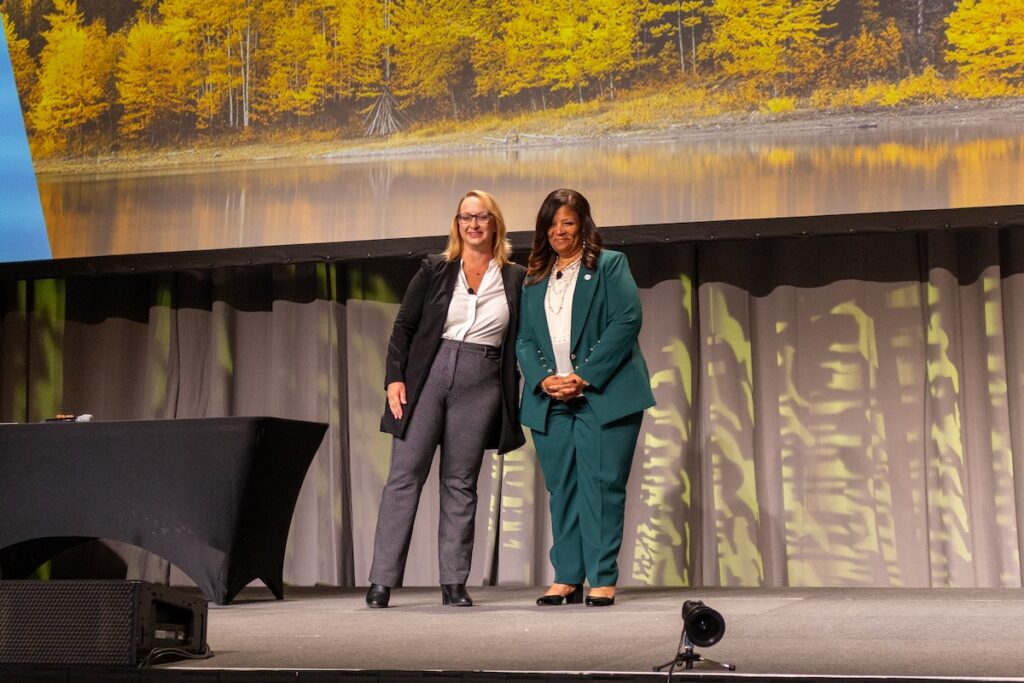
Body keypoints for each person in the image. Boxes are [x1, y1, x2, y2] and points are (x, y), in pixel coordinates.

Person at [366, 190, 526, 608]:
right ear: (457, 225)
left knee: (460, 483)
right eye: (465, 217)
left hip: (482, 380)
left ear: (496, 224)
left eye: (482, 217)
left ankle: (454, 582)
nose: (473, 224)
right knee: (404, 477)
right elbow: (404, 327)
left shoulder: (515, 277)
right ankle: (382, 581)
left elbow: (524, 338)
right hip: (427, 376)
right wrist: (394, 379)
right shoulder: (435, 270)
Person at [516, 188, 655, 607]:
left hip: (603, 394)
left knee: (602, 486)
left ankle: (603, 577)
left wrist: (584, 377)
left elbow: (627, 319)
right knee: (564, 488)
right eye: (551, 224)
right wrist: (542, 380)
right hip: (550, 399)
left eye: (568, 223)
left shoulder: (610, 265)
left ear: (583, 226)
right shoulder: (534, 277)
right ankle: (567, 576)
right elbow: (524, 339)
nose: (559, 231)